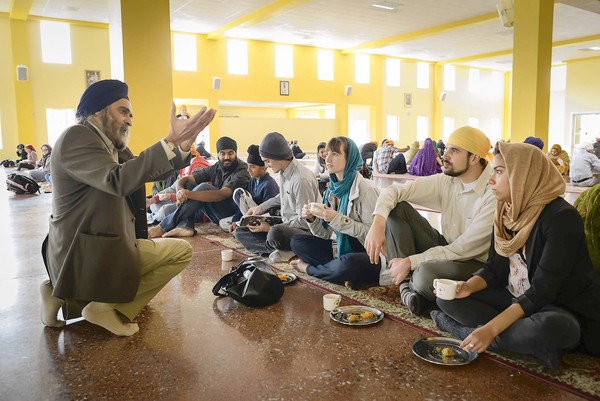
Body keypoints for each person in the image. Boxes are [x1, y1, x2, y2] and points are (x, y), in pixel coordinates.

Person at [42, 79, 216, 336]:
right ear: (97, 111)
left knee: (162, 250)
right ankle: (104, 307)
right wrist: (169, 141)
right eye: (123, 111)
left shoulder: (109, 145)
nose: (130, 120)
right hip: (83, 248)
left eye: (130, 114)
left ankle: (58, 293)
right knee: (181, 252)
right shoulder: (77, 136)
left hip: (91, 242)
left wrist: (180, 146)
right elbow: (118, 180)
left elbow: (138, 171)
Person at [432, 142, 600, 371]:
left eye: (499, 171)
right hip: (514, 299)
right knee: (448, 298)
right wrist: (468, 286)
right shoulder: (505, 210)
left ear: (524, 175)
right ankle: (525, 343)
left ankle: (462, 331)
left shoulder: (561, 218)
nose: (490, 179)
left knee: (548, 327)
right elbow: (494, 268)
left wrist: (491, 329)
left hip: (557, 309)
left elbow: (543, 291)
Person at [364, 126, 495, 315]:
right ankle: (408, 289)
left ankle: (410, 286)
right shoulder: (448, 180)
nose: (445, 155)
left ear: (474, 158)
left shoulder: (492, 193)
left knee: (425, 277)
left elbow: (462, 249)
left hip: (474, 263)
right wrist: (378, 223)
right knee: (396, 208)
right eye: (447, 148)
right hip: (447, 246)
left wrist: (411, 261)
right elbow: (395, 191)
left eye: (454, 150)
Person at [290, 137, 382, 288]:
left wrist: (337, 219)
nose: (327, 158)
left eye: (335, 154)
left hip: (369, 253)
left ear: (350, 158)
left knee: (347, 264)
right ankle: (339, 272)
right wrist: (312, 218)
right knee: (297, 242)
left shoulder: (366, 189)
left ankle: (310, 269)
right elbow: (325, 234)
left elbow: (372, 235)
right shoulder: (331, 190)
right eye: (327, 153)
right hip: (342, 250)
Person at [234, 132, 319, 263]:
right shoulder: (285, 170)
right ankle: (286, 251)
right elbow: (282, 196)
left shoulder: (301, 180)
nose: (266, 165)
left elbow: (305, 221)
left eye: (267, 161)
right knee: (241, 231)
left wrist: (269, 228)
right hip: (288, 225)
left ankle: (290, 250)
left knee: (276, 233)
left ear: (278, 156)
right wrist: (260, 208)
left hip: (306, 233)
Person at [148, 137, 250, 238]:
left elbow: (222, 194)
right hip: (214, 212)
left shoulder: (242, 170)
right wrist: (180, 191)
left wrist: (187, 194)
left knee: (204, 187)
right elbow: (185, 179)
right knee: (188, 185)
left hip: (231, 214)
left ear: (235, 153)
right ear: (218, 154)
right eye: (223, 153)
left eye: (230, 153)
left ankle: (164, 226)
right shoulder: (217, 166)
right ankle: (186, 226)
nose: (227, 157)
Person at [220, 144, 280, 233]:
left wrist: (242, 221)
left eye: (252, 166)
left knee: (239, 192)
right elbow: (244, 206)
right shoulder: (252, 181)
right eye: (248, 166)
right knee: (223, 222)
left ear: (263, 168)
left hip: (263, 219)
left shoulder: (269, 185)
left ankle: (246, 227)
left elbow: (270, 213)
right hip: (250, 214)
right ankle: (244, 227)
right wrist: (236, 221)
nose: (248, 170)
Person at [146, 148, 210, 224]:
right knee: (154, 205)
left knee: (165, 210)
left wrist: (170, 196)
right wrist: (154, 199)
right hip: (181, 201)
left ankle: (154, 218)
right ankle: (158, 216)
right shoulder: (185, 167)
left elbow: (194, 196)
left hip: (197, 208)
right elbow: (173, 187)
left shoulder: (198, 167)